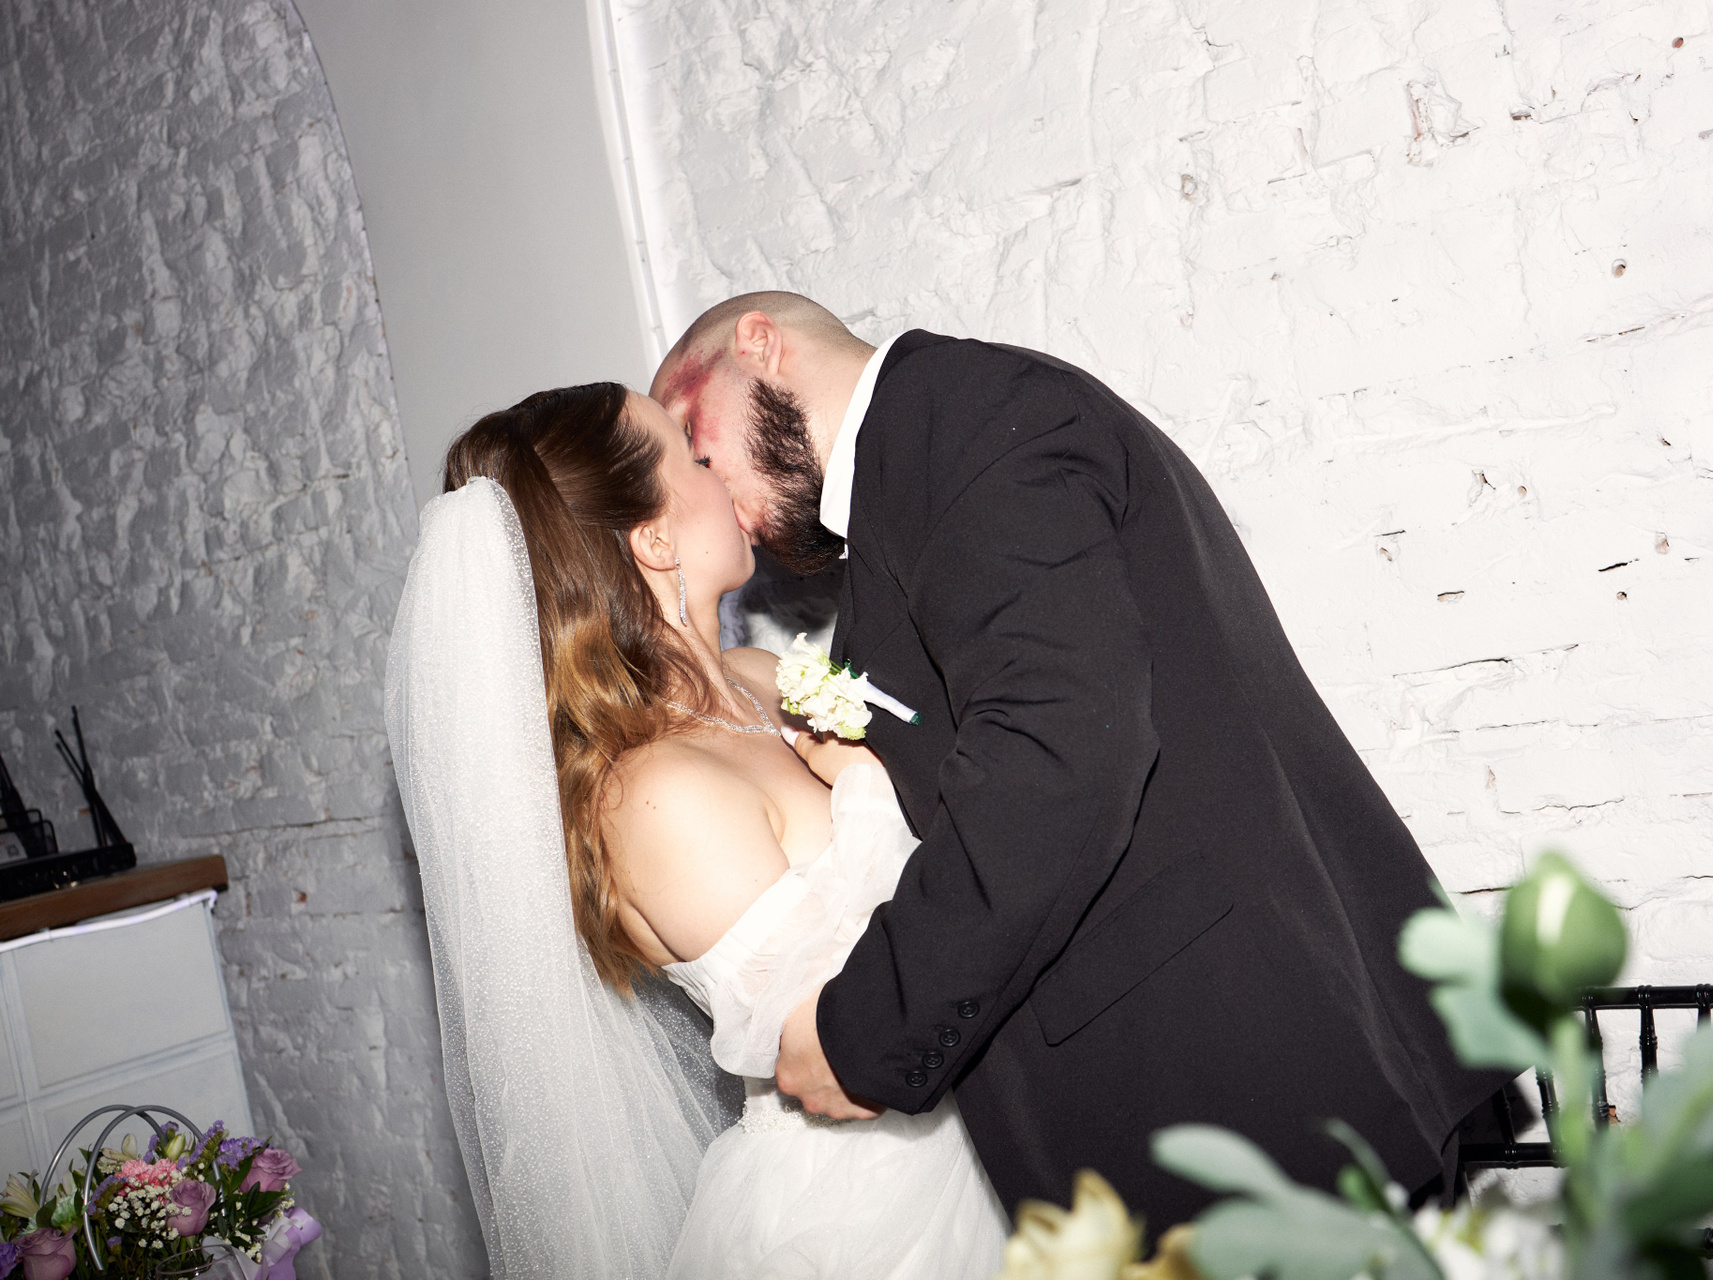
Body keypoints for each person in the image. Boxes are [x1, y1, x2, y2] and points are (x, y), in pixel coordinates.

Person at [649, 292, 1513, 1234]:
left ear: (760, 344)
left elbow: (1058, 752)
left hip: (1241, 1078)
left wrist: (868, 1031)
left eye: (694, 440)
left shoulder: (962, 425)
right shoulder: (931, 450)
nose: (704, 488)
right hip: (1216, 1088)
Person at [386, 383, 1006, 1279]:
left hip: (978, 1127)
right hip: (864, 1212)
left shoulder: (759, 675)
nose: (719, 468)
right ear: (655, 540)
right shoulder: (649, 796)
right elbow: (828, 1030)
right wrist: (867, 788)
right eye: (691, 453)